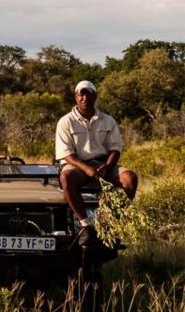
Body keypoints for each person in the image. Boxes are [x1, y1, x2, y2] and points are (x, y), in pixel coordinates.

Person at [56, 80, 138, 248]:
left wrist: (107, 167)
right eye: (81, 93)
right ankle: (86, 226)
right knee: (66, 177)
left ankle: (110, 226)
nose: (85, 97)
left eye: (88, 93)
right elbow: (66, 155)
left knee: (130, 178)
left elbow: (115, 149)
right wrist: (87, 169)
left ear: (95, 96)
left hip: (105, 163)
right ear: (76, 97)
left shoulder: (108, 121)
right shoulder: (65, 122)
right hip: (78, 165)